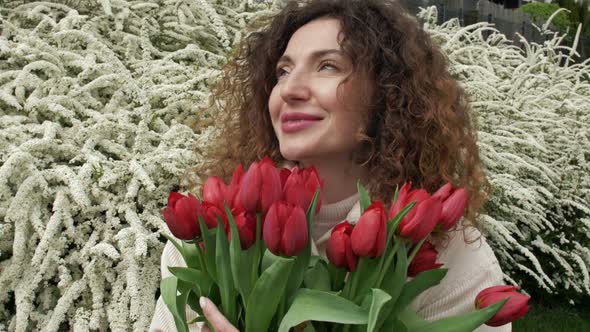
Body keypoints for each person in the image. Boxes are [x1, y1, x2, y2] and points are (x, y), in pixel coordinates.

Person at [149, 0, 510, 331]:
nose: (290, 89)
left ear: (387, 92)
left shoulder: (450, 256)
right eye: (283, 71)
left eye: (328, 66)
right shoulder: (213, 238)